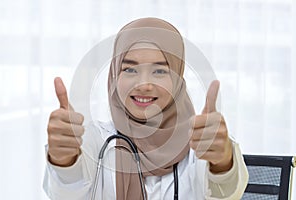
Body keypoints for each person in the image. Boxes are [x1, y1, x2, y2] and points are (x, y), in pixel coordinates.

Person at [43, 17, 248, 200]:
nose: (143, 84)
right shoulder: (96, 141)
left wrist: (222, 161)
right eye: (130, 69)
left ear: (177, 77)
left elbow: (226, 193)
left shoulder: (199, 143)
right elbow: (66, 193)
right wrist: (64, 160)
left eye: (159, 71)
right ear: (115, 75)